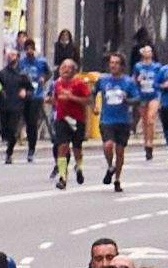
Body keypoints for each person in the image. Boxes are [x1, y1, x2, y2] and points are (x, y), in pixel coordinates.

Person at [94, 52, 138, 190]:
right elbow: (94, 92)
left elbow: (137, 99)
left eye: (116, 63)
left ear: (122, 66)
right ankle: (110, 166)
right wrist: (95, 104)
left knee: (120, 151)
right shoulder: (103, 80)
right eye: (111, 63)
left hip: (123, 121)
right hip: (107, 119)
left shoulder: (128, 82)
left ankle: (117, 179)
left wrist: (127, 99)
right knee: (107, 145)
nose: (113, 66)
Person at [48, 57, 92, 188]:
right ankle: (62, 177)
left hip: (77, 119)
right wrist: (50, 100)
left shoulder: (80, 83)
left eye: (68, 68)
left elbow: (88, 101)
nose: (65, 70)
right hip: (62, 119)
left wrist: (72, 97)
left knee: (77, 147)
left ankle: (79, 167)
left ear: (74, 70)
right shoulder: (57, 84)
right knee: (62, 146)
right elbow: (56, 100)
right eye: (63, 68)